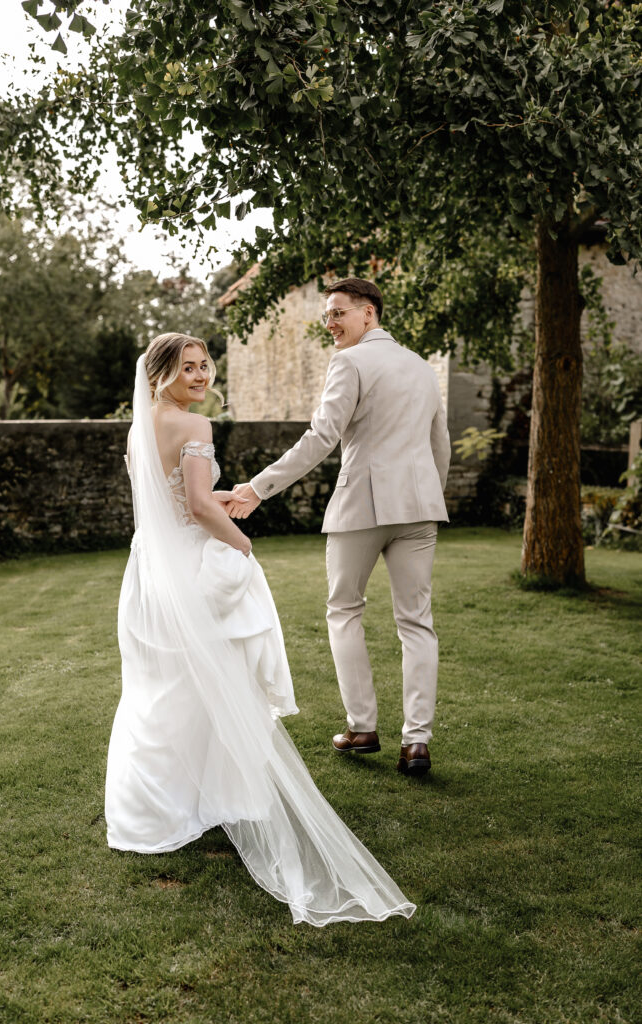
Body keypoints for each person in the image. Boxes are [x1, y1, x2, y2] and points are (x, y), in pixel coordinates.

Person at [105, 332, 416, 926]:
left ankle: (152, 811)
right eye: (188, 368)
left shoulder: (142, 426)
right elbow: (195, 510)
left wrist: (219, 498)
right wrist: (242, 543)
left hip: (148, 571)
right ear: (163, 372)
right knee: (211, 683)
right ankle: (207, 800)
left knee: (164, 687)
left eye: (205, 366)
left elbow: (168, 501)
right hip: (193, 568)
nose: (201, 376)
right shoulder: (196, 429)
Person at [230, 279, 451, 776]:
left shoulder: (349, 362)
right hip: (420, 508)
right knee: (417, 623)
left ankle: (362, 727)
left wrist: (258, 487)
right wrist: (429, 495)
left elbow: (321, 437)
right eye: (327, 315)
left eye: (337, 313)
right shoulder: (421, 367)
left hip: (363, 506)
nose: (329, 324)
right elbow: (441, 445)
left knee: (344, 609)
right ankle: (416, 743)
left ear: (368, 313)